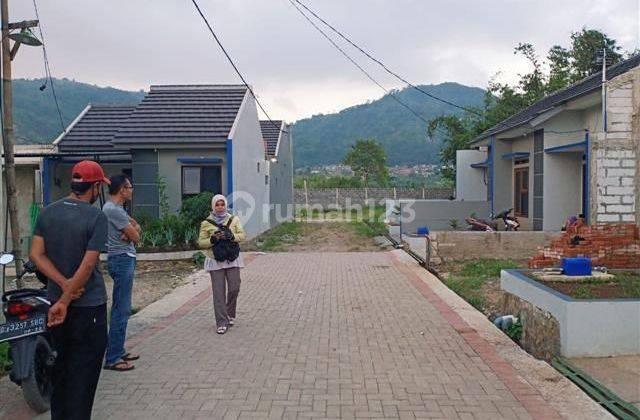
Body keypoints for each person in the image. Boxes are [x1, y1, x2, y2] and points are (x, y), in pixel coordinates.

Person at [29, 160, 110, 420]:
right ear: (96, 186)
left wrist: (61, 285)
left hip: (54, 308)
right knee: (82, 382)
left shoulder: (47, 213)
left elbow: (36, 255)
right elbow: (88, 265)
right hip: (88, 310)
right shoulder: (96, 217)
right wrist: (68, 295)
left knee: (60, 374)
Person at [103, 174, 141, 371]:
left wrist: (132, 231)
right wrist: (132, 232)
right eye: (129, 187)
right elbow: (135, 235)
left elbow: (137, 228)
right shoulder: (113, 210)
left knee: (123, 307)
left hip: (125, 257)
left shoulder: (118, 209)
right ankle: (113, 357)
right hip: (121, 258)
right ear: (122, 190)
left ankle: (118, 348)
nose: (132, 190)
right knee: (121, 307)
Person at [198, 194, 246, 334]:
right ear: (213, 206)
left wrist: (232, 237)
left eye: (222, 204)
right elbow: (201, 242)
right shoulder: (206, 223)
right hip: (215, 260)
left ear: (226, 205)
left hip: (232, 258)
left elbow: (242, 235)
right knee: (218, 293)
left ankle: (230, 313)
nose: (220, 207)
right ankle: (221, 322)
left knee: (234, 288)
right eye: (217, 205)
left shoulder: (234, 219)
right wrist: (213, 239)